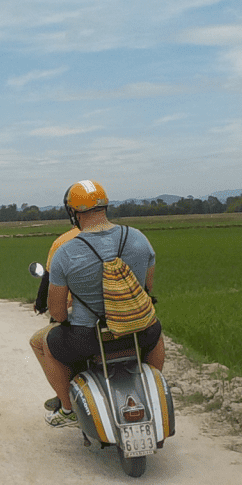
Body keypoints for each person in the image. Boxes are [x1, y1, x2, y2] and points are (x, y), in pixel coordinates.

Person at [38, 180, 165, 427]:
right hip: (139, 333)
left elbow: (58, 314)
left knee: (46, 343)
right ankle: (152, 394)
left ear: (74, 212)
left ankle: (67, 409)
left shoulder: (66, 252)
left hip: (89, 339)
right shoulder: (138, 237)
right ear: (105, 206)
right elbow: (148, 288)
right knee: (156, 332)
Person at [29, 222, 81, 409]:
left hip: (76, 316)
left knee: (41, 342)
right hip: (118, 314)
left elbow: (49, 279)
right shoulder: (121, 237)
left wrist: (41, 304)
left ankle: (66, 403)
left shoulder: (63, 242)